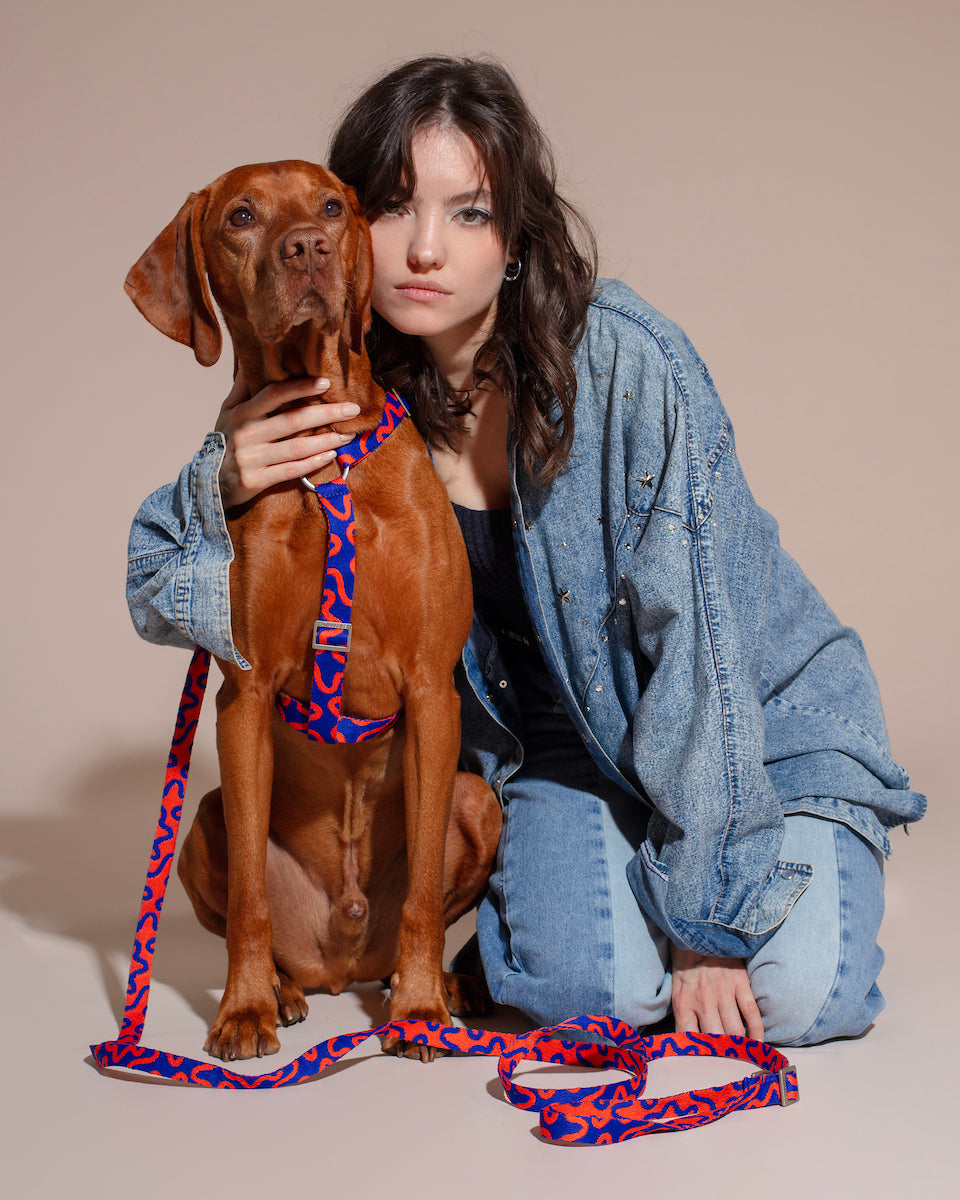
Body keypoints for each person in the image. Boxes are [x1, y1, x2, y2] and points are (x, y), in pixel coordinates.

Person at [127, 55, 924, 1047]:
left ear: (513, 242)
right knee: (585, 1000)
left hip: (751, 735)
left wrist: (705, 922)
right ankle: (626, 880)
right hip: (564, 756)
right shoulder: (362, 399)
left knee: (803, 999)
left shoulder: (629, 364)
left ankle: (804, 845)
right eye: (392, 207)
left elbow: (703, 658)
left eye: (469, 213)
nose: (425, 249)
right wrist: (219, 483)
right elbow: (166, 598)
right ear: (350, 236)